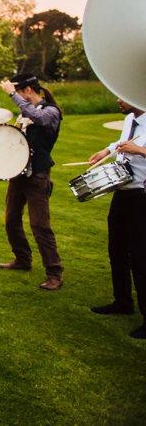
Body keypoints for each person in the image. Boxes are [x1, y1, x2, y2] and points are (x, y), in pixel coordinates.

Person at [0, 73, 64, 291]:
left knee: (40, 226)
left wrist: (13, 95)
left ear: (26, 90)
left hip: (38, 176)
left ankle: (54, 273)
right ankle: (22, 259)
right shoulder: (25, 113)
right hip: (19, 174)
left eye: (18, 92)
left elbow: (40, 118)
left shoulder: (51, 111)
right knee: (11, 220)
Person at [87, 98, 146, 339]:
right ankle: (122, 302)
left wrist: (140, 151)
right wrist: (108, 150)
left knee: (141, 258)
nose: (118, 100)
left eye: (122, 96)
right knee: (116, 251)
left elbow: (135, 147)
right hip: (122, 192)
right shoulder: (129, 120)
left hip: (142, 196)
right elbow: (122, 142)